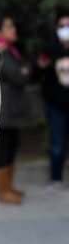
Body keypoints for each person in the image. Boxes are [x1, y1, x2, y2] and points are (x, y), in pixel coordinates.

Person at [0, 14, 30, 204]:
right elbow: (17, 77)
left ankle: (9, 186)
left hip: (11, 108)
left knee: (11, 147)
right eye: (10, 27)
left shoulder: (9, 50)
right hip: (3, 109)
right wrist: (23, 72)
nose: (14, 30)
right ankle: (3, 191)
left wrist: (23, 72)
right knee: (4, 149)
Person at [37, 13, 69, 189]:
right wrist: (41, 66)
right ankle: (56, 178)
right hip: (55, 105)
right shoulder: (49, 50)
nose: (66, 30)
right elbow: (38, 73)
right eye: (62, 26)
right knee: (57, 143)